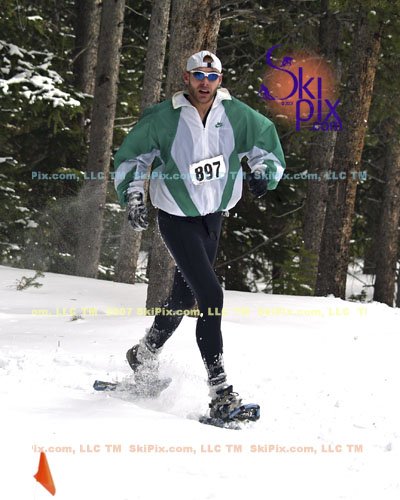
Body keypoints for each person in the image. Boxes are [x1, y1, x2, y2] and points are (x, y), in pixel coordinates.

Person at [114, 50, 285, 420]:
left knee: (182, 295)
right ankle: (220, 392)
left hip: (213, 219)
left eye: (211, 77)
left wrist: (262, 174)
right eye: (198, 76)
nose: (204, 83)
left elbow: (266, 145)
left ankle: (143, 354)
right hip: (177, 219)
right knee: (211, 295)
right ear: (187, 78)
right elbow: (133, 157)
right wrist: (134, 195)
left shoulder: (237, 115)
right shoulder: (163, 117)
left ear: (219, 80)